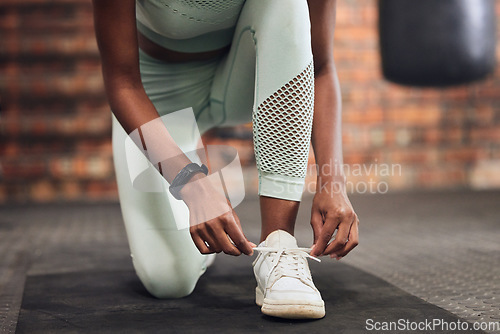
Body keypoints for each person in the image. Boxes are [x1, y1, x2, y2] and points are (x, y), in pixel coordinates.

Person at [91, 0, 359, 319]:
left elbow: (320, 67)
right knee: (168, 281)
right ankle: (193, 174)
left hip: (237, 77)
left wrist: (333, 181)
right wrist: (190, 183)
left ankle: (278, 246)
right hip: (157, 99)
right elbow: (122, 83)